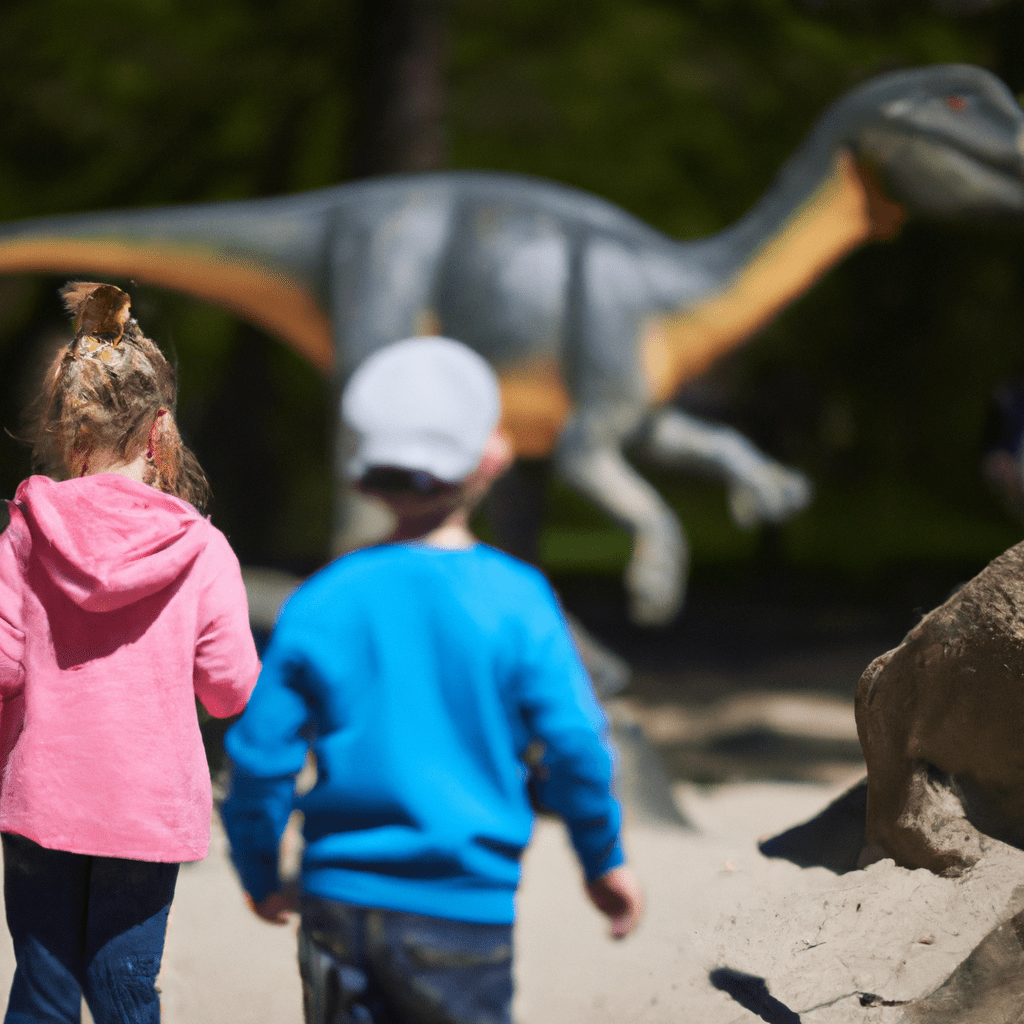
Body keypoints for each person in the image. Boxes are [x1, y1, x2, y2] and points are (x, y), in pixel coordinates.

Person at [221, 335, 643, 1024]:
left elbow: (260, 756)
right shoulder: (519, 599)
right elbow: (576, 744)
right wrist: (602, 861)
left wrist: (260, 869)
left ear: (363, 479)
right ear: (492, 458)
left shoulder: (321, 599)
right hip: (462, 910)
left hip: (336, 904)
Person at [0, 281, 261, 1024]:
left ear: (67, 423)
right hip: (145, 811)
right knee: (124, 992)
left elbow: (4, 665)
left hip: (40, 799)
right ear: (160, 429)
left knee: (42, 993)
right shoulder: (201, 549)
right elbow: (230, 688)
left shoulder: (26, 533)